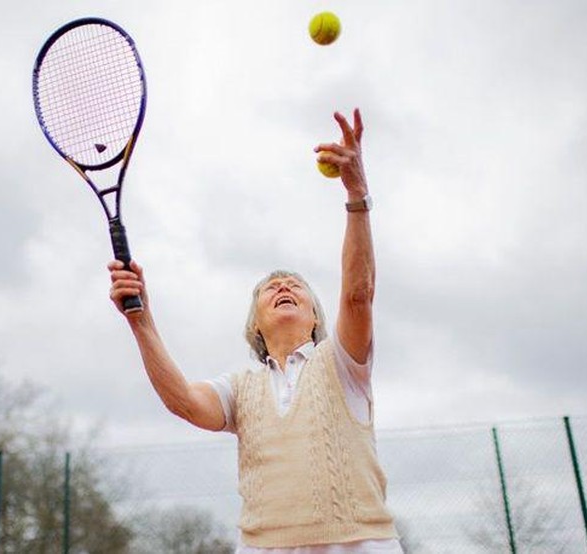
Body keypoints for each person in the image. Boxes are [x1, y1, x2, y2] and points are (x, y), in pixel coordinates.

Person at [107, 109, 402, 553]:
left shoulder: (342, 363)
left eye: (295, 285)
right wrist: (141, 321)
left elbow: (358, 294)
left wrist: (357, 194)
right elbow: (184, 402)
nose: (283, 285)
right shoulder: (240, 388)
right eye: (270, 287)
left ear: (318, 317)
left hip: (361, 543)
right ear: (255, 324)